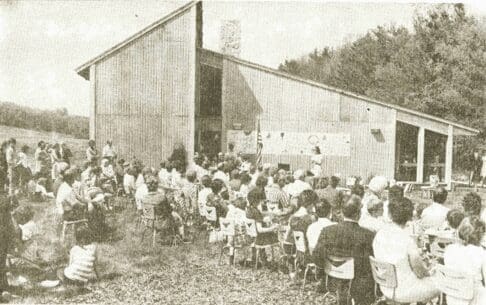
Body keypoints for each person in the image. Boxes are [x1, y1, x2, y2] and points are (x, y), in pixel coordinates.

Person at [373, 197, 439, 303]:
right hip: (405, 290)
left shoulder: (379, 234)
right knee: (442, 284)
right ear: (409, 217)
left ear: (389, 214)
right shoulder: (407, 239)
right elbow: (420, 272)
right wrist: (430, 271)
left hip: (385, 286)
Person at [313, 195, 375, 305]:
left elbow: (317, 256)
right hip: (358, 284)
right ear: (359, 213)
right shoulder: (367, 235)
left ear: (342, 212)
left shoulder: (327, 231)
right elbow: (371, 262)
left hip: (332, 279)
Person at [444, 216, 486, 305]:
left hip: (452, 297)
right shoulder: (481, 253)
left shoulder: (449, 249)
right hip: (474, 299)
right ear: (480, 235)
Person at [246, 188, 279, 265]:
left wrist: (263, 219)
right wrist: (272, 228)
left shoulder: (249, 210)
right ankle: (269, 260)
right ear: (257, 200)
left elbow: (255, 221)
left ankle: (261, 258)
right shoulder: (256, 211)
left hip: (251, 235)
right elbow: (260, 229)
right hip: (259, 238)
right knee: (275, 235)